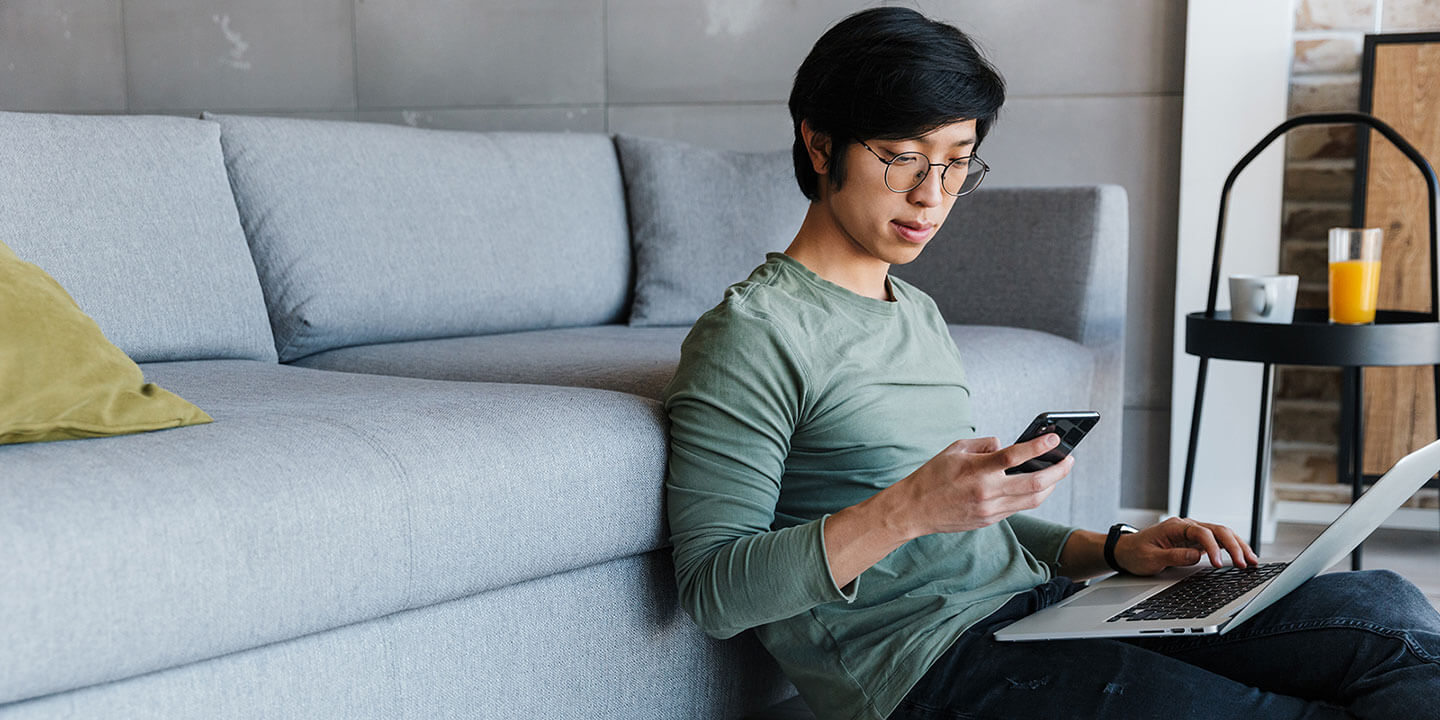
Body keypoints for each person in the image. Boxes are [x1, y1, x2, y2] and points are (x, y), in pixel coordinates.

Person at [661, 7, 1440, 720]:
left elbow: (967, 531)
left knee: (1389, 612)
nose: (933, 195)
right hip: (934, 670)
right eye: (903, 158)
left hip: (1046, 608)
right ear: (819, 141)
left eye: (958, 161)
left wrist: (1113, 550)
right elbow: (714, 591)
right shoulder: (753, 333)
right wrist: (907, 510)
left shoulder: (915, 311)